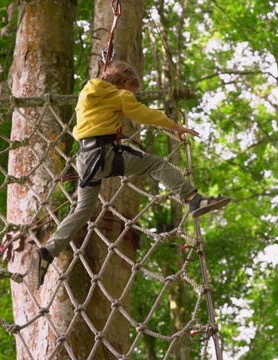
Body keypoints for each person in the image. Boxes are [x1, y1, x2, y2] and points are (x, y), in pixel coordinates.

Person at [28, 61, 230, 288]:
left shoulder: (89, 90)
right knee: (154, 164)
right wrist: (176, 127)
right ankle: (194, 199)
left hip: (85, 159)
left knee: (83, 210)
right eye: (132, 91)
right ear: (125, 83)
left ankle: (47, 251)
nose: (131, 96)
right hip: (103, 156)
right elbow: (145, 114)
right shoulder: (120, 95)